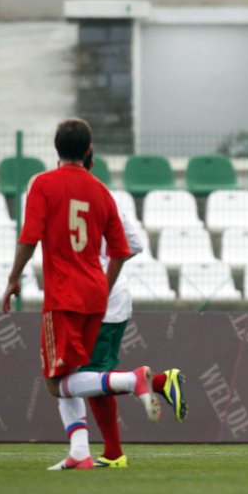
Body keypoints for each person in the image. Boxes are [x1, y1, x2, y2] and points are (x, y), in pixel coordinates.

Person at [2, 118, 160, 470]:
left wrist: (14, 278)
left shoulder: (43, 184)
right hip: (95, 294)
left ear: (56, 150)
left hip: (63, 296)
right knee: (74, 374)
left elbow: (29, 237)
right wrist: (102, 287)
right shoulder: (101, 192)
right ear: (89, 151)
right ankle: (79, 452)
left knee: (55, 383)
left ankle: (132, 379)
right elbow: (122, 250)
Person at [78, 152, 187, 469]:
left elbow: (133, 245)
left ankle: (114, 451)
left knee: (88, 377)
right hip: (113, 295)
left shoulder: (66, 196)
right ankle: (158, 384)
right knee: (92, 377)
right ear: (93, 162)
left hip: (97, 299)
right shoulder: (107, 198)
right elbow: (135, 243)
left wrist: (96, 267)